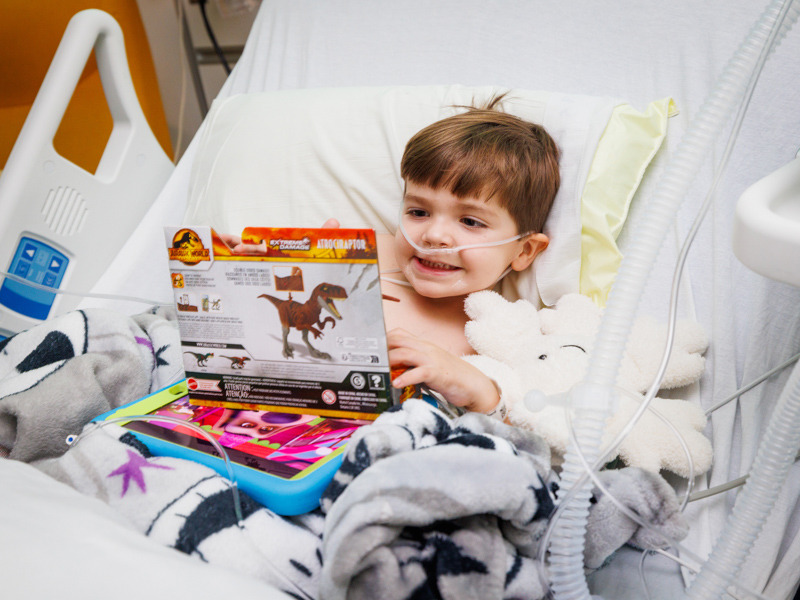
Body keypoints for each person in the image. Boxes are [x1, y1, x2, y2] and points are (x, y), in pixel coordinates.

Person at [222, 95, 560, 418]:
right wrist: (249, 268)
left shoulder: (502, 334)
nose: (433, 235)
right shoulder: (369, 256)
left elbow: (525, 418)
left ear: (524, 250)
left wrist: (479, 389)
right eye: (418, 211)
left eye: (470, 221)